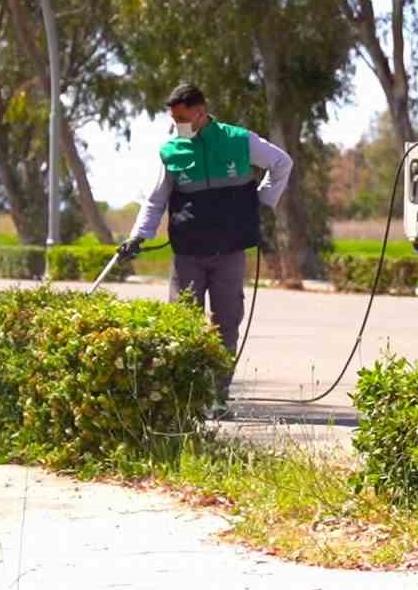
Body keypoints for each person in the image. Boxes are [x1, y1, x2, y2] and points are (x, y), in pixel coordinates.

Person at [118, 83, 293, 406]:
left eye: (182, 119)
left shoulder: (239, 141)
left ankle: (219, 397)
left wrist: (261, 202)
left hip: (229, 252)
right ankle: (185, 400)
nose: (177, 126)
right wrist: (137, 237)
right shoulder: (171, 151)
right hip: (188, 254)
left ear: (200, 113)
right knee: (181, 325)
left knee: (226, 325)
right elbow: (155, 201)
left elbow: (282, 163)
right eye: (173, 120)